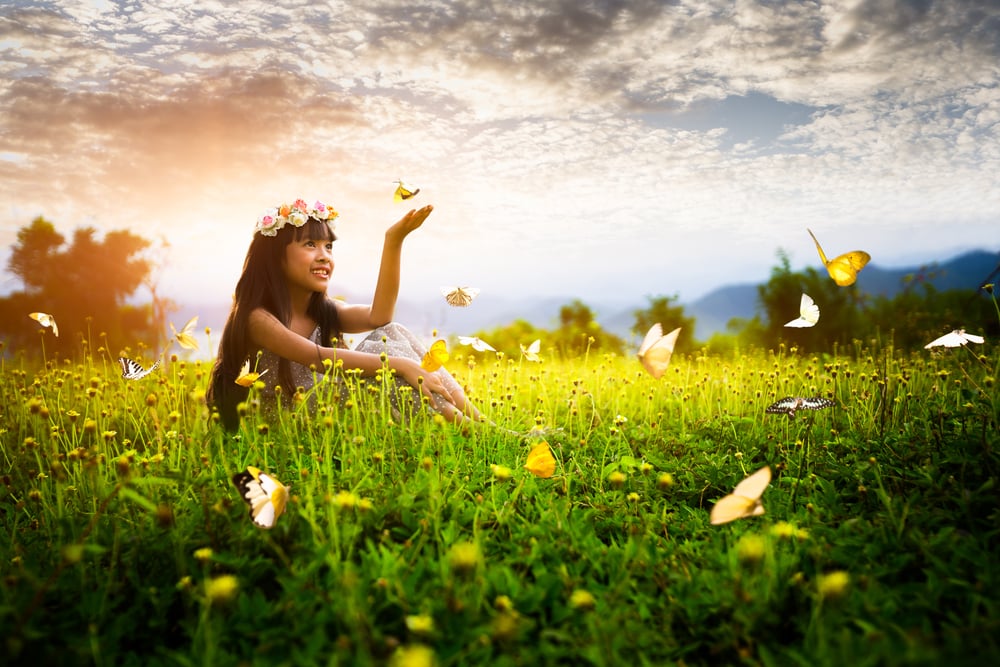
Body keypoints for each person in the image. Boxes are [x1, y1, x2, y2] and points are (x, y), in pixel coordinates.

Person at [207, 198, 483, 430]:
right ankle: (471, 431)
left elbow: (380, 317)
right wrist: (401, 365)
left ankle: (481, 423)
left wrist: (393, 241)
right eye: (310, 245)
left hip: (331, 403)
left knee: (393, 333)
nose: (324, 255)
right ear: (275, 258)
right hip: (291, 419)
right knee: (392, 371)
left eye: (329, 246)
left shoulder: (324, 309)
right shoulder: (258, 318)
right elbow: (318, 358)